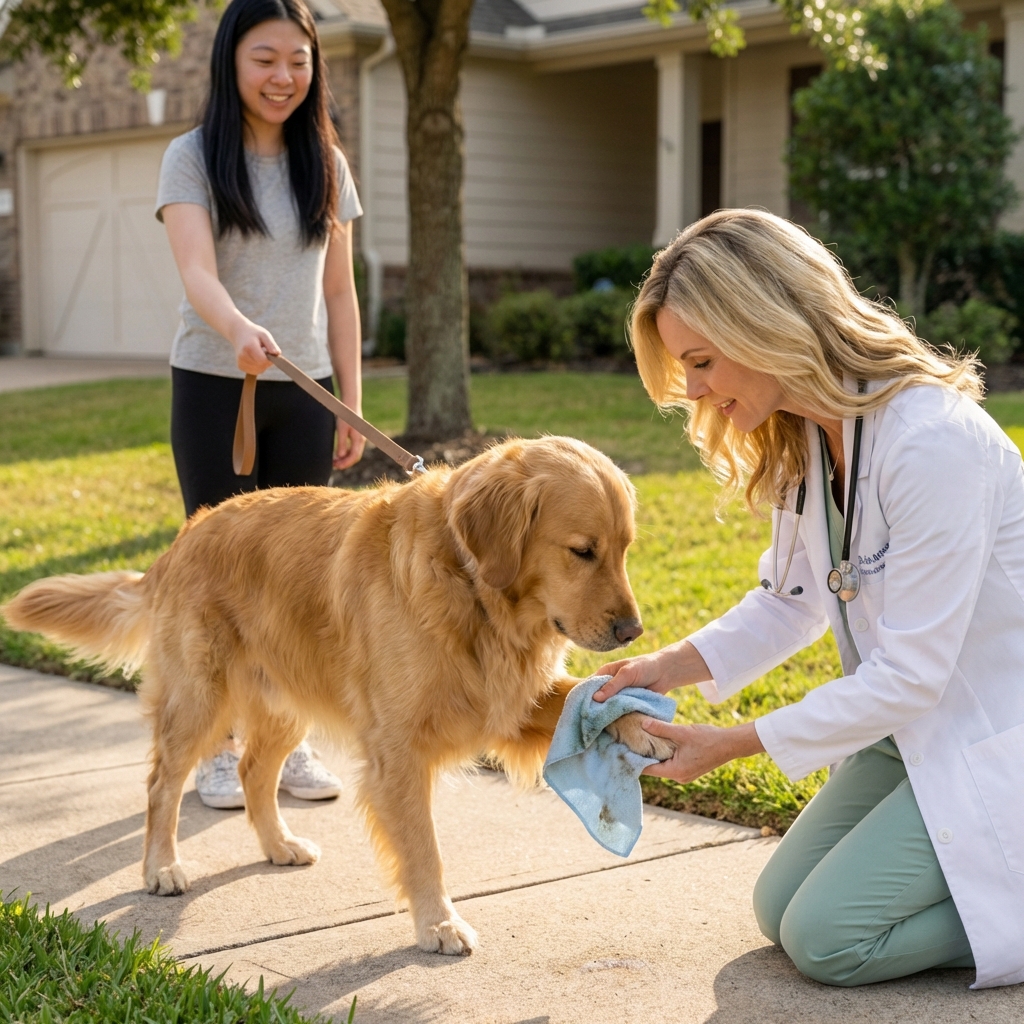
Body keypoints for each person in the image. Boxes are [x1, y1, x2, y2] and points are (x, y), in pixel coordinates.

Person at [594, 209, 1024, 990]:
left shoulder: (931, 441)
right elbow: (790, 601)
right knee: (778, 906)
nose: (692, 391)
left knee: (829, 941)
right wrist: (662, 669)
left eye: (701, 361)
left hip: (988, 730)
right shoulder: (807, 436)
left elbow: (913, 676)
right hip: (904, 734)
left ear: (762, 324)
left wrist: (731, 742)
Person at [155, 0, 363, 808]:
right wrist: (240, 328)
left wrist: (349, 398)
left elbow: (339, 291)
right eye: (264, 59)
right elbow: (197, 271)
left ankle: (286, 745)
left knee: (301, 584)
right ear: (231, 65)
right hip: (216, 383)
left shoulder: (327, 164)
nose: (283, 77)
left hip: (304, 389)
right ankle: (213, 746)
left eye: (298, 61)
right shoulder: (193, 158)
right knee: (220, 584)